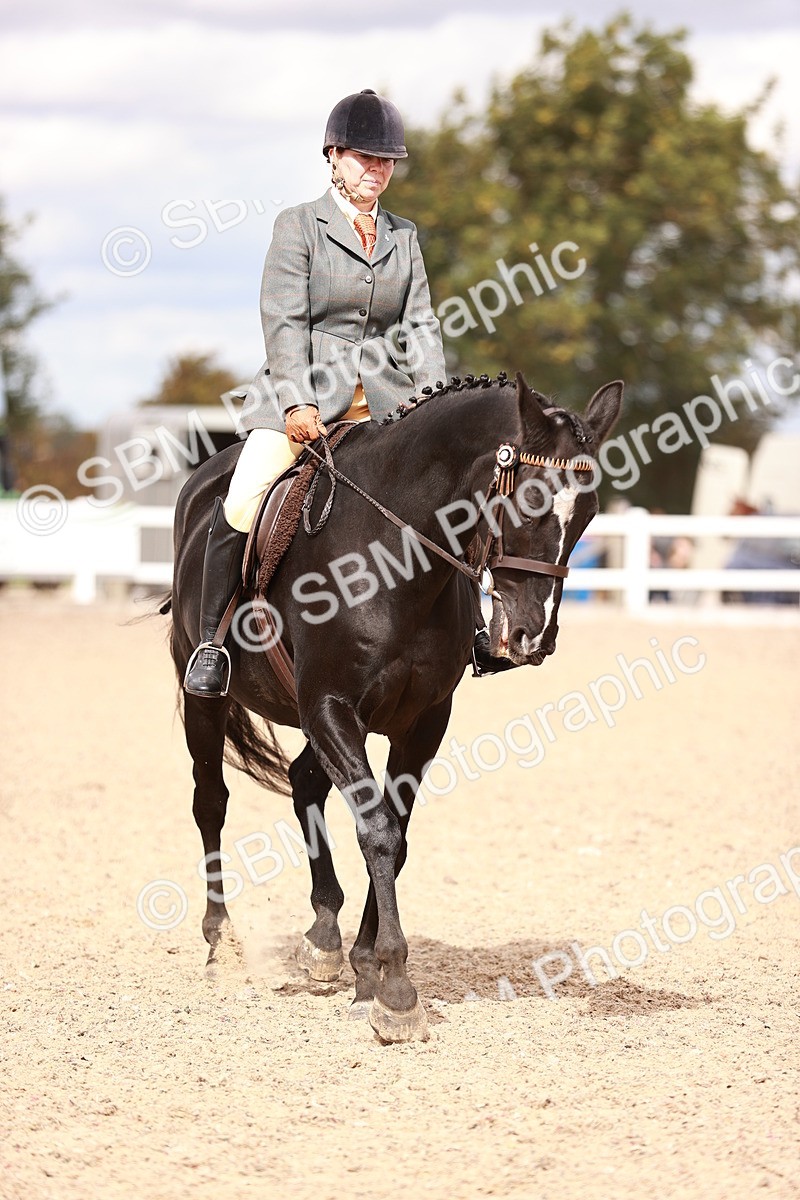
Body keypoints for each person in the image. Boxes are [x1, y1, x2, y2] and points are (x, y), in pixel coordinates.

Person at [184, 88, 510, 697]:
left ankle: (472, 630)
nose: (377, 171)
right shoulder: (298, 226)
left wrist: (434, 408)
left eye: (387, 162)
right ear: (333, 155)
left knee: (451, 498)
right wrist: (296, 401)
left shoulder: (403, 236)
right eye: (366, 158)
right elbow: (284, 320)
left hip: (387, 408)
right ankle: (211, 644)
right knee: (243, 499)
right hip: (301, 402)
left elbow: (421, 325)